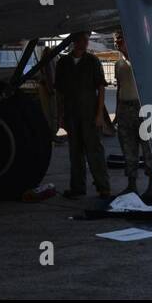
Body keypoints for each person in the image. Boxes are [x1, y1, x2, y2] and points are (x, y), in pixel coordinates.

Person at [54, 31, 113, 200]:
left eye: (87, 40)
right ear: (75, 41)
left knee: (95, 151)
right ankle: (77, 187)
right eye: (83, 40)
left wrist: (100, 114)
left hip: (90, 113)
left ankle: (104, 187)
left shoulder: (92, 61)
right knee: (75, 152)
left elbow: (100, 87)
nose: (86, 43)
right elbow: (59, 92)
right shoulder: (63, 62)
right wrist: (60, 116)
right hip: (72, 114)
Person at [112, 34, 152, 198]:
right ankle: (132, 185)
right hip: (125, 108)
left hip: (143, 108)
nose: (118, 43)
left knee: (148, 148)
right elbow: (120, 89)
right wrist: (117, 114)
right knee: (128, 148)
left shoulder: (143, 61)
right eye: (117, 41)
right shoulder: (119, 64)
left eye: (121, 40)